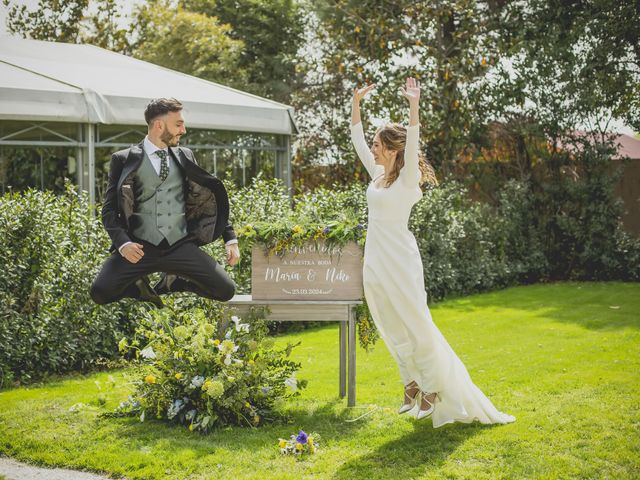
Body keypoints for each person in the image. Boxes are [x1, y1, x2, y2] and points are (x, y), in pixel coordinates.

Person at [351, 78, 515, 427]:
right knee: (389, 321)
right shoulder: (377, 177)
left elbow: (413, 146)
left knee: (417, 324)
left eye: (378, 144)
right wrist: (355, 104)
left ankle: (432, 388)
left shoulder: (407, 179)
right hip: (376, 260)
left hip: (401, 260)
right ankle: (410, 382)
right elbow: (355, 140)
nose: (373, 148)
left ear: (393, 150)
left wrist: (414, 105)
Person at [90, 98, 239, 308]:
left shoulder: (185, 155)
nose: (183, 130)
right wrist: (123, 244)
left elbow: (206, 197)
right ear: (159, 125)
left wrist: (230, 238)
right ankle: (138, 286)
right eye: (178, 124)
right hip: (141, 246)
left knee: (225, 290)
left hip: (179, 244)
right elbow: (109, 210)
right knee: (100, 292)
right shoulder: (123, 159)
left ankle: (177, 280)